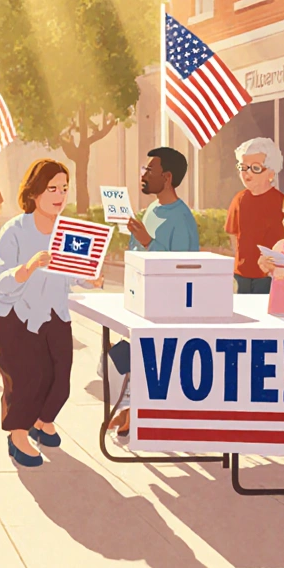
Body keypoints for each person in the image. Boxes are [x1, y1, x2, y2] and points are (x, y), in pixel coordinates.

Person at [0, 159, 95, 467]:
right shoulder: (14, 230)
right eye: (52, 188)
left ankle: (42, 421)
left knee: (61, 379)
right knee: (29, 379)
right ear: (34, 192)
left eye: (64, 188)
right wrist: (29, 267)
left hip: (54, 315)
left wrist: (92, 278)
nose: (60, 195)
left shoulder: (69, 232)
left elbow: (75, 274)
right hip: (15, 318)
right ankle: (18, 435)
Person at [107, 147, 201, 440]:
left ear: (167, 177)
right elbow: (141, 253)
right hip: (142, 301)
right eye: (144, 169)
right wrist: (136, 240)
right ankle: (126, 411)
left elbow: (182, 268)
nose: (143, 175)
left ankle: (133, 414)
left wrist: (148, 241)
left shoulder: (182, 218)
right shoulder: (151, 210)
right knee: (119, 359)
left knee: (141, 362)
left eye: (150, 170)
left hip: (169, 309)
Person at [226, 137, 284, 294]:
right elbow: (233, 234)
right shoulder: (239, 199)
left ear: (271, 173)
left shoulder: (281, 202)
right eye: (243, 167)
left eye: (255, 168)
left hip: (269, 274)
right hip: (241, 274)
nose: (247, 173)